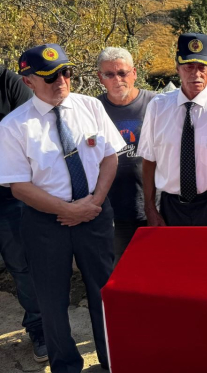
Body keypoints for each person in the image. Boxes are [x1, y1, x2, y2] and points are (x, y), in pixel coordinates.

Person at [0, 44, 125, 372]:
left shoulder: (90, 107)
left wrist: (94, 201)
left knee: (104, 293)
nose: (61, 81)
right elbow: (19, 185)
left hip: (95, 214)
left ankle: (114, 360)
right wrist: (65, 210)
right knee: (52, 301)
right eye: (50, 76)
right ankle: (66, 366)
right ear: (28, 81)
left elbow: (110, 156)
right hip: (46, 223)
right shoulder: (14, 125)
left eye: (66, 72)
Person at [137, 33, 207, 227]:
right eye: (189, 67)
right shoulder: (157, 107)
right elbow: (149, 160)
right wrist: (150, 209)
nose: (196, 74)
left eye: (202, 67)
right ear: (178, 68)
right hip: (173, 208)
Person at [0, 65, 47, 363]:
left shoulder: (8, 82)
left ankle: (39, 328)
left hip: (9, 195)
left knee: (23, 266)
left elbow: (29, 131)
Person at [95, 47, 156, 263]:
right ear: (100, 78)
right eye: (109, 74)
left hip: (155, 204)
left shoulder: (156, 104)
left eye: (122, 73)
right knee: (119, 267)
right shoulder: (94, 109)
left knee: (157, 265)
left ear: (134, 73)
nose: (117, 79)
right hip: (112, 208)